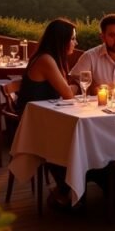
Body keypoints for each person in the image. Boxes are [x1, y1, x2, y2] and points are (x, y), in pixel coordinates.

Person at [16, 18, 77, 208]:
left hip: (45, 119)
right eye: (73, 39)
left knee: (75, 136)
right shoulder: (46, 60)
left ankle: (69, 188)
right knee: (72, 139)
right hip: (34, 125)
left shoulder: (49, 57)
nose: (76, 43)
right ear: (62, 40)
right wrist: (78, 86)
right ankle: (68, 188)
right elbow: (67, 93)